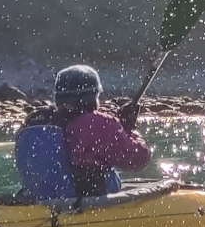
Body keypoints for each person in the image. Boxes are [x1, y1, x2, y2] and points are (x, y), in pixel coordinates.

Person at [14, 65, 152, 202]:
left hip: (39, 200)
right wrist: (130, 128)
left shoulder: (37, 121)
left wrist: (122, 128)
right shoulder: (97, 123)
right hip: (83, 203)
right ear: (92, 97)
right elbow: (138, 159)